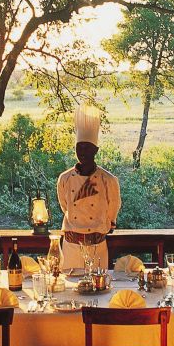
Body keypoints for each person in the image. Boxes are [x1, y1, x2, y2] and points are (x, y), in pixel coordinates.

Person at [56, 105, 121, 271]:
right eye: (79, 147)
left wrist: (105, 226)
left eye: (87, 147)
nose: (82, 151)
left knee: (99, 290)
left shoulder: (109, 180)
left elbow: (113, 209)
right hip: (71, 246)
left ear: (96, 150)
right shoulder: (64, 178)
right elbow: (65, 206)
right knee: (70, 291)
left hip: (97, 246)